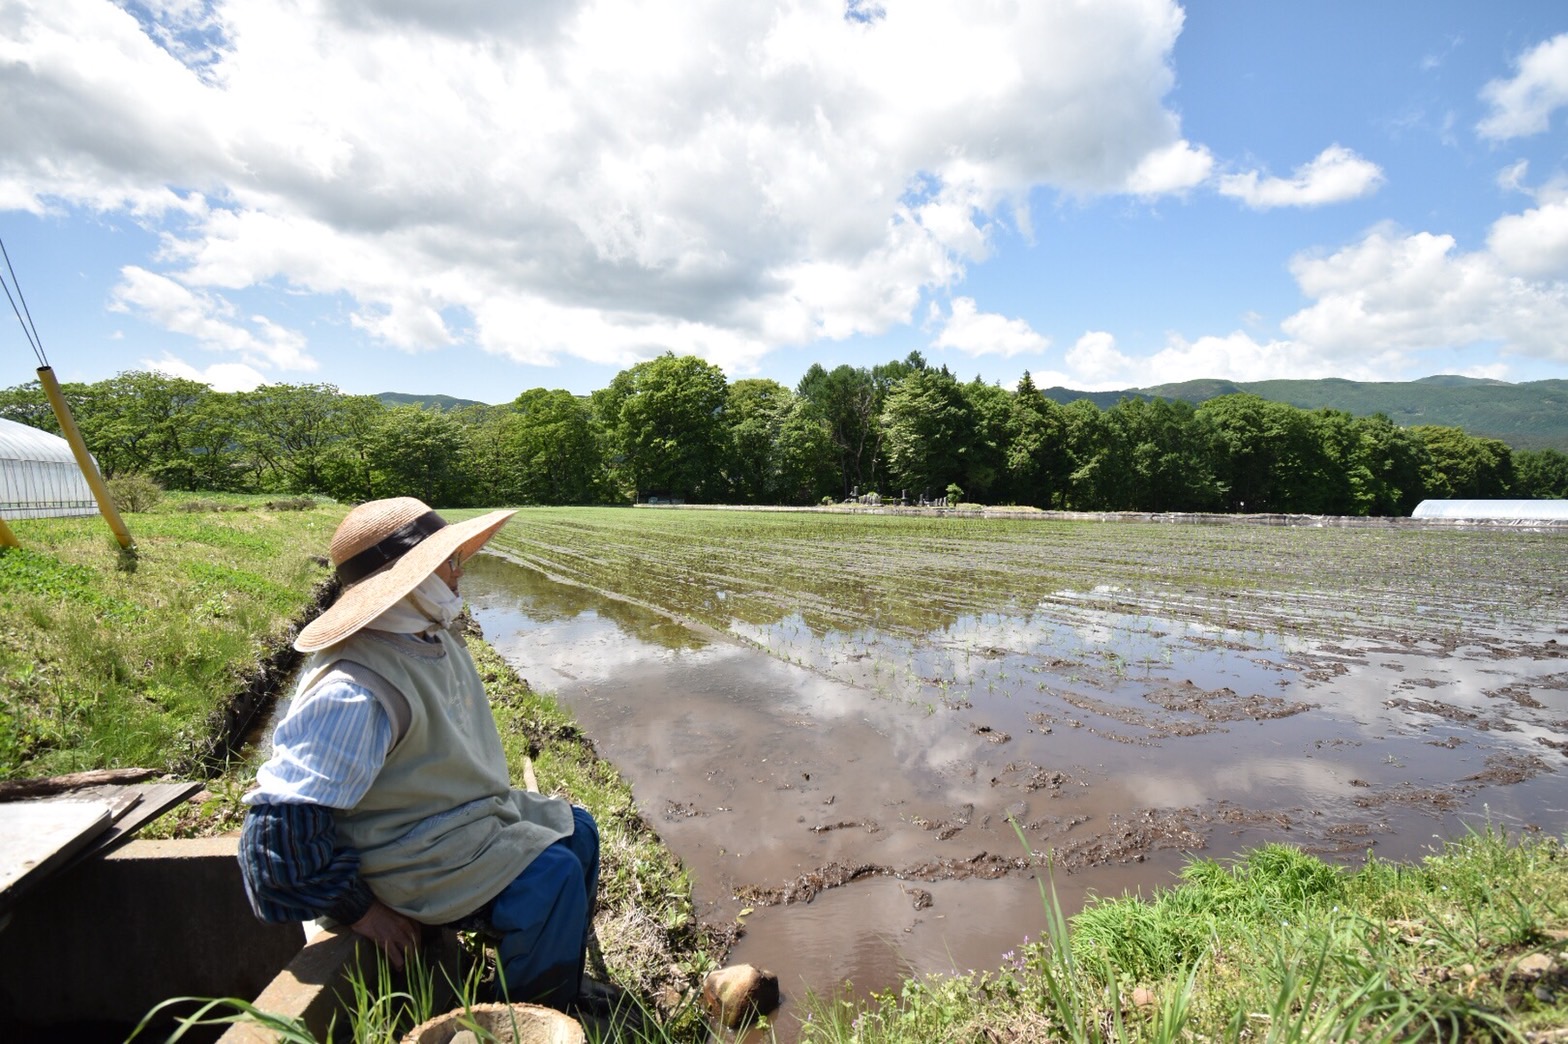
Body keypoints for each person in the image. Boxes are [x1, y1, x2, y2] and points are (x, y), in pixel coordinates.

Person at [237, 496, 606, 1014]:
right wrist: (363, 912)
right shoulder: (353, 690)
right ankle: (528, 1014)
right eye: (446, 561)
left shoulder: (426, 631)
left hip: (456, 818)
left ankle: (556, 972)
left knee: (580, 831)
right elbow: (278, 842)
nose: (459, 570)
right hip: (403, 852)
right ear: (405, 580)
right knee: (552, 877)